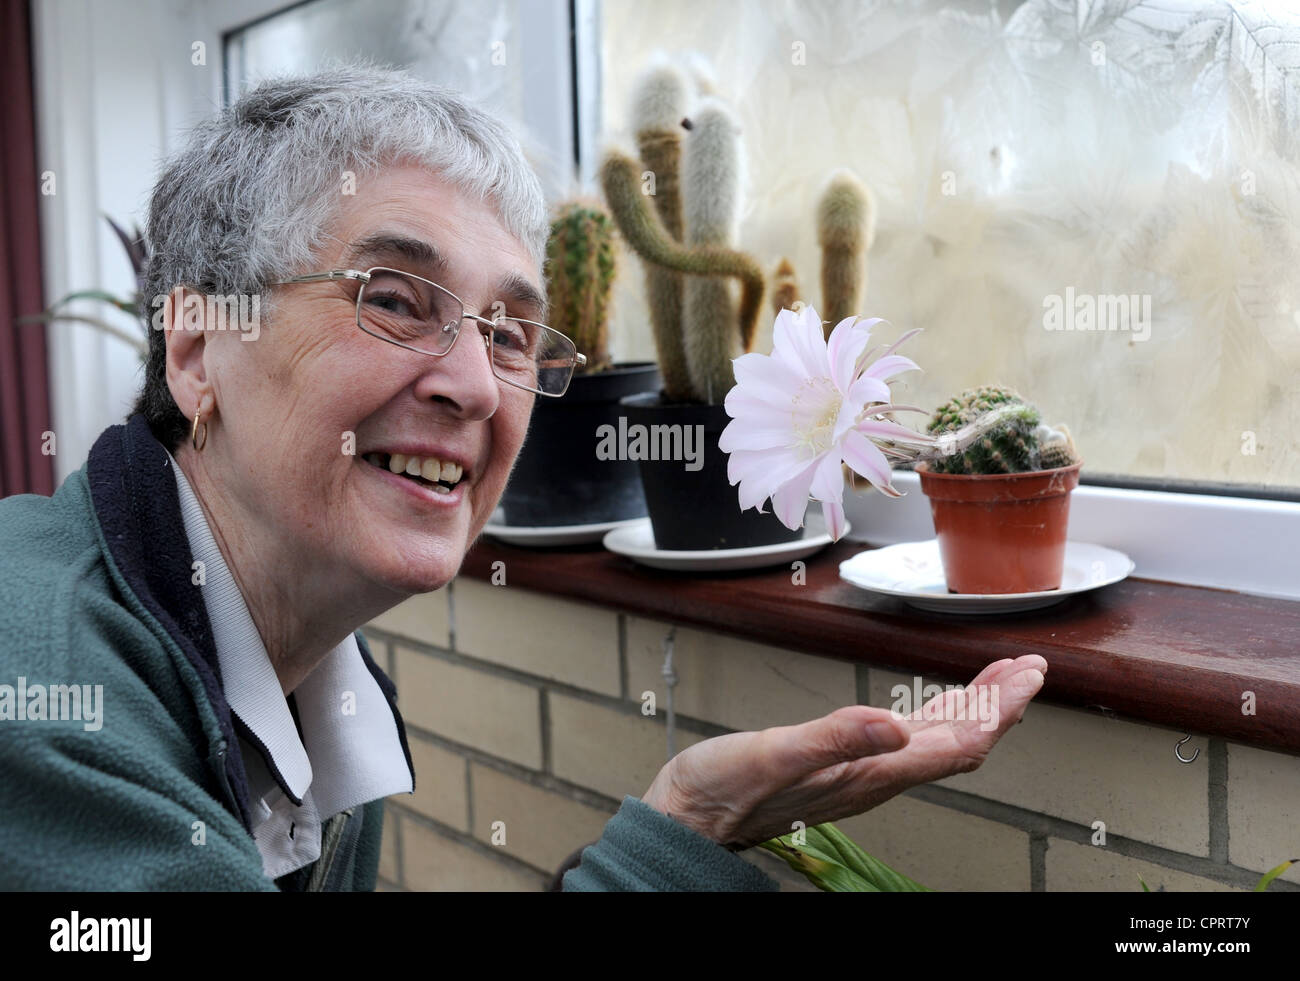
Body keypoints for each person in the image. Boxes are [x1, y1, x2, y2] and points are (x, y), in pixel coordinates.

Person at [0, 65, 1047, 891]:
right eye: (397, 300)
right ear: (196, 351)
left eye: (509, 333)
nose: (472, 384)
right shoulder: (54, 716)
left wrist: (688, 822)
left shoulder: (314, 677)